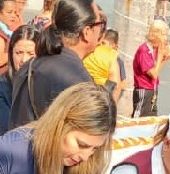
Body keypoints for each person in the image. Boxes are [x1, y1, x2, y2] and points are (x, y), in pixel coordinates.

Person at [6, 0, 104, 132]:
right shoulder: (77, 78)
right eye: (100, 25)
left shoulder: (31, 65)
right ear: (87, 32)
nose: (102, 31)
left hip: (21, 149)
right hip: (46, 151)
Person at [0, 25, 37, 140]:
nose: (24, 60)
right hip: (8, 148)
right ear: (11, 54)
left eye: (30, 54)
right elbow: (5, 131)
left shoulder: (47, 83)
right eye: (18, 53)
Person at [132, 19, 170, 117]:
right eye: (164, 35)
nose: (166, 38)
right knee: (140, 118)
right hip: (144, 89)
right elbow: (153, 74)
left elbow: (157, 70)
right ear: (156, 34)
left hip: (153, 88)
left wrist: (165, 58)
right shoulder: (144, 50)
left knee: (152, 117)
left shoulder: (154, 50)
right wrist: (160, 56)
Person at [83, 28, 124, 106]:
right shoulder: (111, 56)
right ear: (114, 45)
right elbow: (117, 86)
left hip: (82, 95)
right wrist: (112, 110)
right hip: (101, 99)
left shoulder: (87, 50)